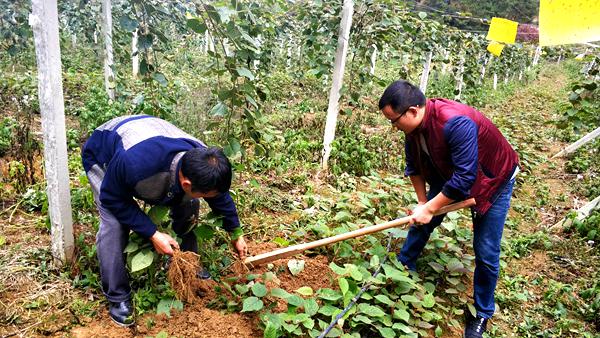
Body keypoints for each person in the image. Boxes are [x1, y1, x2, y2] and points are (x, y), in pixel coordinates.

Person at [378, 80, 519, 338]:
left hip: (492, 180)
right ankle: (403, 266)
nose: (393, 127)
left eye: (394, 120)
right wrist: (423, 205)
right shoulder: (413, 131)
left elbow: (466, 179)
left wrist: (431, 207)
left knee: (486, 249)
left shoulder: (455, 122)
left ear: (412, 111)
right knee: (421, 221)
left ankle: (482, 314)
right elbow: (414, 168)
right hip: (453, 174)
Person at [81, 115, 248, 327]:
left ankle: (188, 265)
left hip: (149, 138)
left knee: (189, 204)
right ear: (186, 182)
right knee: (114, 224)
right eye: (206, 193)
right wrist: (153, 233)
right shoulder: (134, 164)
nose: (209, 196)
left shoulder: (204, 163)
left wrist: (236, 233)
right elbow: (112, 197)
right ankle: (117, 296)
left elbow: (219, 194)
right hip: (103, 154)